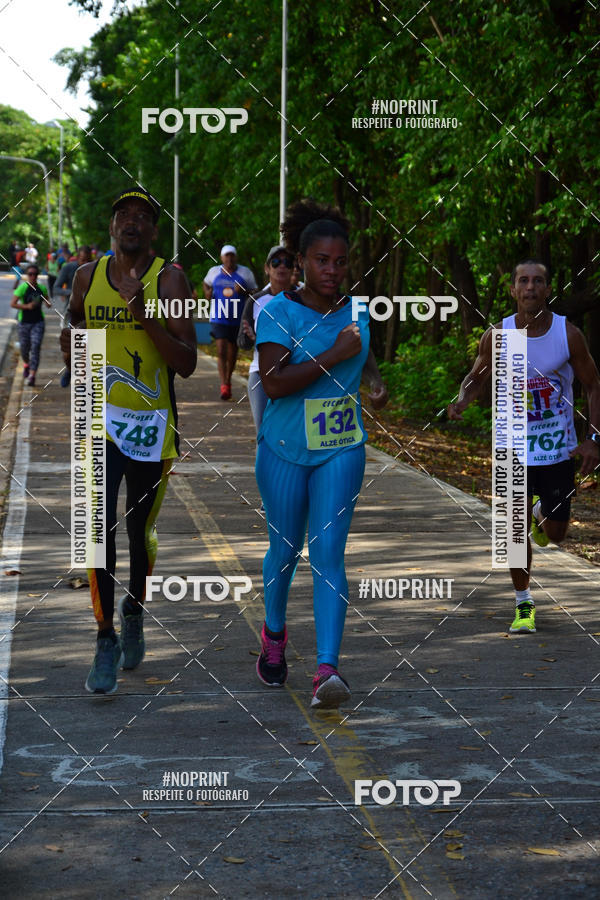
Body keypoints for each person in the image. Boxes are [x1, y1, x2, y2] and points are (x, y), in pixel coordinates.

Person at [59, 187, 197, 695]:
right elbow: (74, 325)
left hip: (151, 425)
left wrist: (143, 315)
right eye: (124, 214)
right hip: (96, 416)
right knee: (96, 532)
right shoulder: (86, 277)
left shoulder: (171, 279)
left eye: (143, 215)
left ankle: (134, 610)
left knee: (139, 532)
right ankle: (104, 637)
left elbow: (186, 362)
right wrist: (74, 358)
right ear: (112, 226)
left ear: (154, 231)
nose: (132, 221)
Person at [254, 199, 388, 709]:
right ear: (300, 260)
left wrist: (374, 383)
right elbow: (275, 382)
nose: (332, 270)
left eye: (341, 261)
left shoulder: (357, 312)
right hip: (285, 449)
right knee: (285, 552)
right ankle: (273, 636)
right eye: (321, 261)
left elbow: (364, 350)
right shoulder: (279, 312)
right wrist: (332, 355)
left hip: (340, 447)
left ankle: (328, 670)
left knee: (329, 555)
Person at [448, 259, 600, 634]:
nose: (530, 287)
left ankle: (540, 513)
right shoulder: (500, 335)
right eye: (523, 281)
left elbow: (594, 384)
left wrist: (594, 439)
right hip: (511, 448)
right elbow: (476, 375)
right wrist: (463, 399)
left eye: (538, 281)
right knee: (513, 533)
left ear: (548, 289)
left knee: (558, 533)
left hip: (556, 450)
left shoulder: (568, 334)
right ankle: (523, 604)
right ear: (513, 290)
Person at [238, 245, 296, 433]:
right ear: (267, 268)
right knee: (264, 433)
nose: (282, 267)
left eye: (287, 263)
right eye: (276, 262)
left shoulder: (303, 299)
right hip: (260, 375)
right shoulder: (255, 300)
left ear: (293, 269)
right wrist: (254, 339)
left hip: (297, 373)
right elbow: (242, 342)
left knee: (292, 432)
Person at [204, 245, 257, 400]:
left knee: (232, 351)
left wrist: (245, 291)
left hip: (237, 318)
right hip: (218, 316)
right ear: (221, 258)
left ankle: (228, 379)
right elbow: (206, 283)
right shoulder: (214, 272)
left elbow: (256, 291)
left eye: (232, 256)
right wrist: (208, 293)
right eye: (226, 256)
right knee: (221, 350)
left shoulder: (245, 273)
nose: (229, 259)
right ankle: (224, 385)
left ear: (236, 257)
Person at [56, 246, 93, 388]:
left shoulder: (97, 270)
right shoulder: (68, 268)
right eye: (82, 260)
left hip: (89, 315)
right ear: (77, 258)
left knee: (87, 349)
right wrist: (73, 293)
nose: (85, 263)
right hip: (71, 313)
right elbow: (56, 287)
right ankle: (69, 369)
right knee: (68, 350)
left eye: (88, 260)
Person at [11, 264, 51, 386]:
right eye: (30, 274)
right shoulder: (22, 288)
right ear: (27, 275)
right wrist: (26, 306)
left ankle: (32, 375)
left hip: (38, 322)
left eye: (35, 274)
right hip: (24, 323)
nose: (33, 276)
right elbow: (13, 304)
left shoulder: (42, 288)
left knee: (35, 347)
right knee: (24, 348)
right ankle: (27, 364)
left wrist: (47, 303)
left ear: (37, 275)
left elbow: (47, 301)